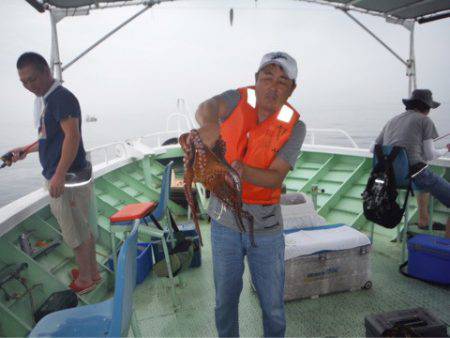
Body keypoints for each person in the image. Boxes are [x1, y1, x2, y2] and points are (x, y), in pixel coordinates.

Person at [195, 51, 306, 337]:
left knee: (272, 306)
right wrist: (208, 125)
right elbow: (207, 106)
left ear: (292, 89)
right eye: (267, 77)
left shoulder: (295, 126)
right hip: (224, 223)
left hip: (266, 229)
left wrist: (241, 171)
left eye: (283, 80)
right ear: (256, 80)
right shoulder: (238, 98)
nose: (273, 85)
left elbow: (275, 177)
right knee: (224, 302)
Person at [9, 52, 100, 293]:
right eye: (24, 82)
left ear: (46, 72)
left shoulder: (60, 98)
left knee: (74, 232)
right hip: (71, 175)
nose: (29, 86)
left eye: (32, 79)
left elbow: (72, 136)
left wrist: (58, 175)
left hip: (67, 179)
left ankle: (84, 281)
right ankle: (92, 273)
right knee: (82, 227)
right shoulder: (47, 100)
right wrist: (25, 150)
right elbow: (50, 138)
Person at [373, 89, 450, 238]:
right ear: (427, 108)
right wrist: (446, 150)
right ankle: (446, 250)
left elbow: (373, 148)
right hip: (414, 175)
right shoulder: (424, 120)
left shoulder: (392, 120)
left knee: (423, 181)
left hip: (391, 178)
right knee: (424, 176)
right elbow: (430, 155)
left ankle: (423, 220)